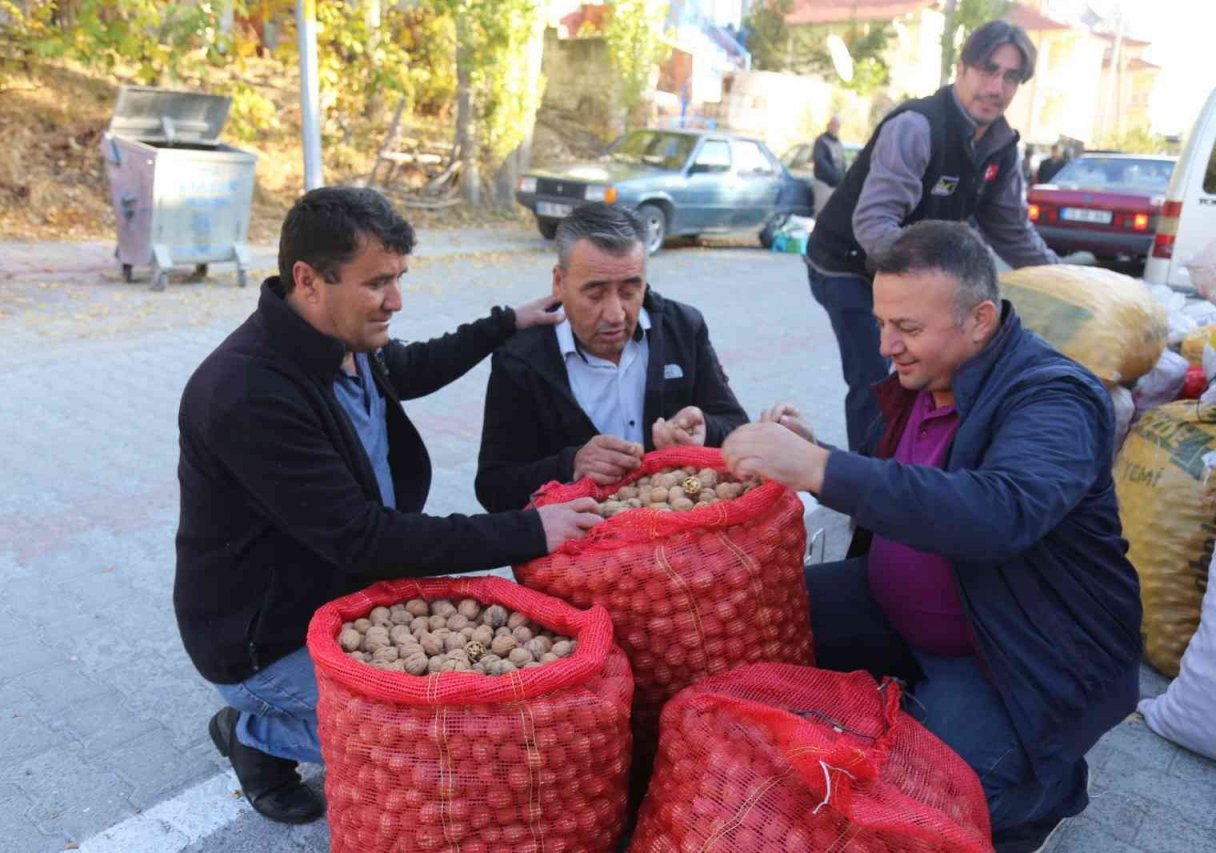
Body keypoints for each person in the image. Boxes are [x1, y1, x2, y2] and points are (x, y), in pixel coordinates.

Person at [174, 187, 603, 824]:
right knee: (433, 753)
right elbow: (367, 539)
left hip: (347, 592)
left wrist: (504, 324)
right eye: (378, 283)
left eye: (399, 278)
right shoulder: (247, 394)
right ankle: (254, 731)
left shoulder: (343, 340)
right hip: (265, 640)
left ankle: (286, 719)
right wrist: (529, 529)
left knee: (472, 714)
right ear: (308, 280)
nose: (396, 301)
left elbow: (407, 367)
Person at [723, 221, 1142, 853]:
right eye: (883, 323)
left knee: (935, 799)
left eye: (908, 328)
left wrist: (820, 471)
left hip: (1006, 646)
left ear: (979, 320)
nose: (887, 345)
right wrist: (818, 451)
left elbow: (1002, 512)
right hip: (893, 606)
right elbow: (899, 481)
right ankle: (902, 696)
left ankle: (1043, 789)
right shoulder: (924, 374)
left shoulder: (1054, 397)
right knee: (748, 616)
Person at [806, 19, 1059, 452]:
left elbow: (1012, 231)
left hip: (909, 275)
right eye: (987, 69)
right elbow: (875, 224)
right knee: (879, 373)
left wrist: (1066, 281)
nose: (996, 86)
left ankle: (916, 474)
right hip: (845, 264)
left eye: (1011, 77)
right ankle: (868, 494)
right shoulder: (916, 126)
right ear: (961, 69)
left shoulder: (1001, 148)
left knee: (940, 364)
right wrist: (930, 288)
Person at [475, 202, 748, 513]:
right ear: (559, 283)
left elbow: (739, 430)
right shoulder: (521, 359)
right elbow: (494, 488)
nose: (616, 314)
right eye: (595, 294)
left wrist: (706, 432)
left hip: (682, 540)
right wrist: (571, 465)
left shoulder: (683, 328)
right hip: (581, 554)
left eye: (631, 291)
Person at [812, 115, 847, 216]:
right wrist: (834, 175)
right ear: (828, 125)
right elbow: (820, 160)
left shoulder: (838, 142)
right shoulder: (821, 141)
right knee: (821, 212)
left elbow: (842, 161)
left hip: (837, 185)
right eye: (833, 125)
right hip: (823, 183)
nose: (835, 128)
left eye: (837, 126)